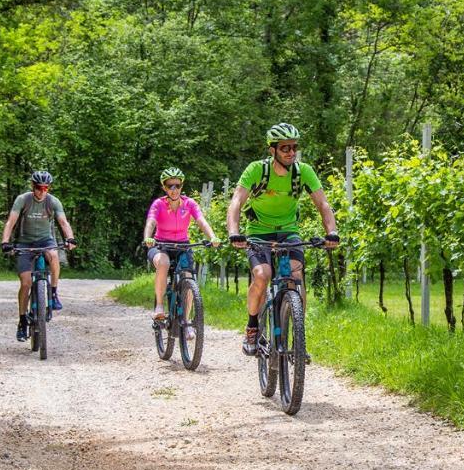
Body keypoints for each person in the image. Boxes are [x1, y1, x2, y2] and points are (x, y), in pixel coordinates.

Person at [227, 123, 338, 356]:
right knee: (262, 275)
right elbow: (236, 202)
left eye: (294, 147)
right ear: (272, 150)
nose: (290, 152)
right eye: (285, 147)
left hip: (288, 232)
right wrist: (234, 233)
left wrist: (332, 232)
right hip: (259, 232)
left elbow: (323, 204)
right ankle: (252, 326)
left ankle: (299, 337)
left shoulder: (303, 172)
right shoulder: (256, 170)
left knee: (296, 276)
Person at [0, 170, 77, 342]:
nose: (42, 191)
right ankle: (22, 321)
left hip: (45, 240)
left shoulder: (52, 201)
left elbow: (64, 222)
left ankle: (54, 292)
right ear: (32, 187)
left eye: (45, 188)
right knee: (26, 283)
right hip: (24, 243)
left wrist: (70, 238)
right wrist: (5, 241)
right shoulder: (23, 200)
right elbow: (10, 222)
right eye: (39, 188)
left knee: (54, 255)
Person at [143, 167, 219, 332]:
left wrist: (212, 237)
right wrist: (148, 237)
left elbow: (201, 221)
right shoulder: (159, 204)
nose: (174, 189)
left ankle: (185, 320)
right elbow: (151, 222)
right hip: (160, 245)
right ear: (164, 187)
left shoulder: (189, 203)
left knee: (188, 277)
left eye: (177, 185)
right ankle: (160, 307)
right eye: (170, 186)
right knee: (163, 263)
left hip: (183, 245)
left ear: (181, 186)